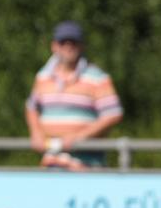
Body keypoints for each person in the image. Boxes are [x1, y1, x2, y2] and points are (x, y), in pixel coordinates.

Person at [25, 21, 123, 170]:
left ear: (81, 46)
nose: (68, 46)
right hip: (51, 162)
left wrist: (78, 137)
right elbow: (31, 107)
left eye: (73, 42)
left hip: (86, 165)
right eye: (63, 42)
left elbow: (113, 114)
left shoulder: (97, 77)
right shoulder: (43, 76)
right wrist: (36, 133)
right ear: (54, 46)